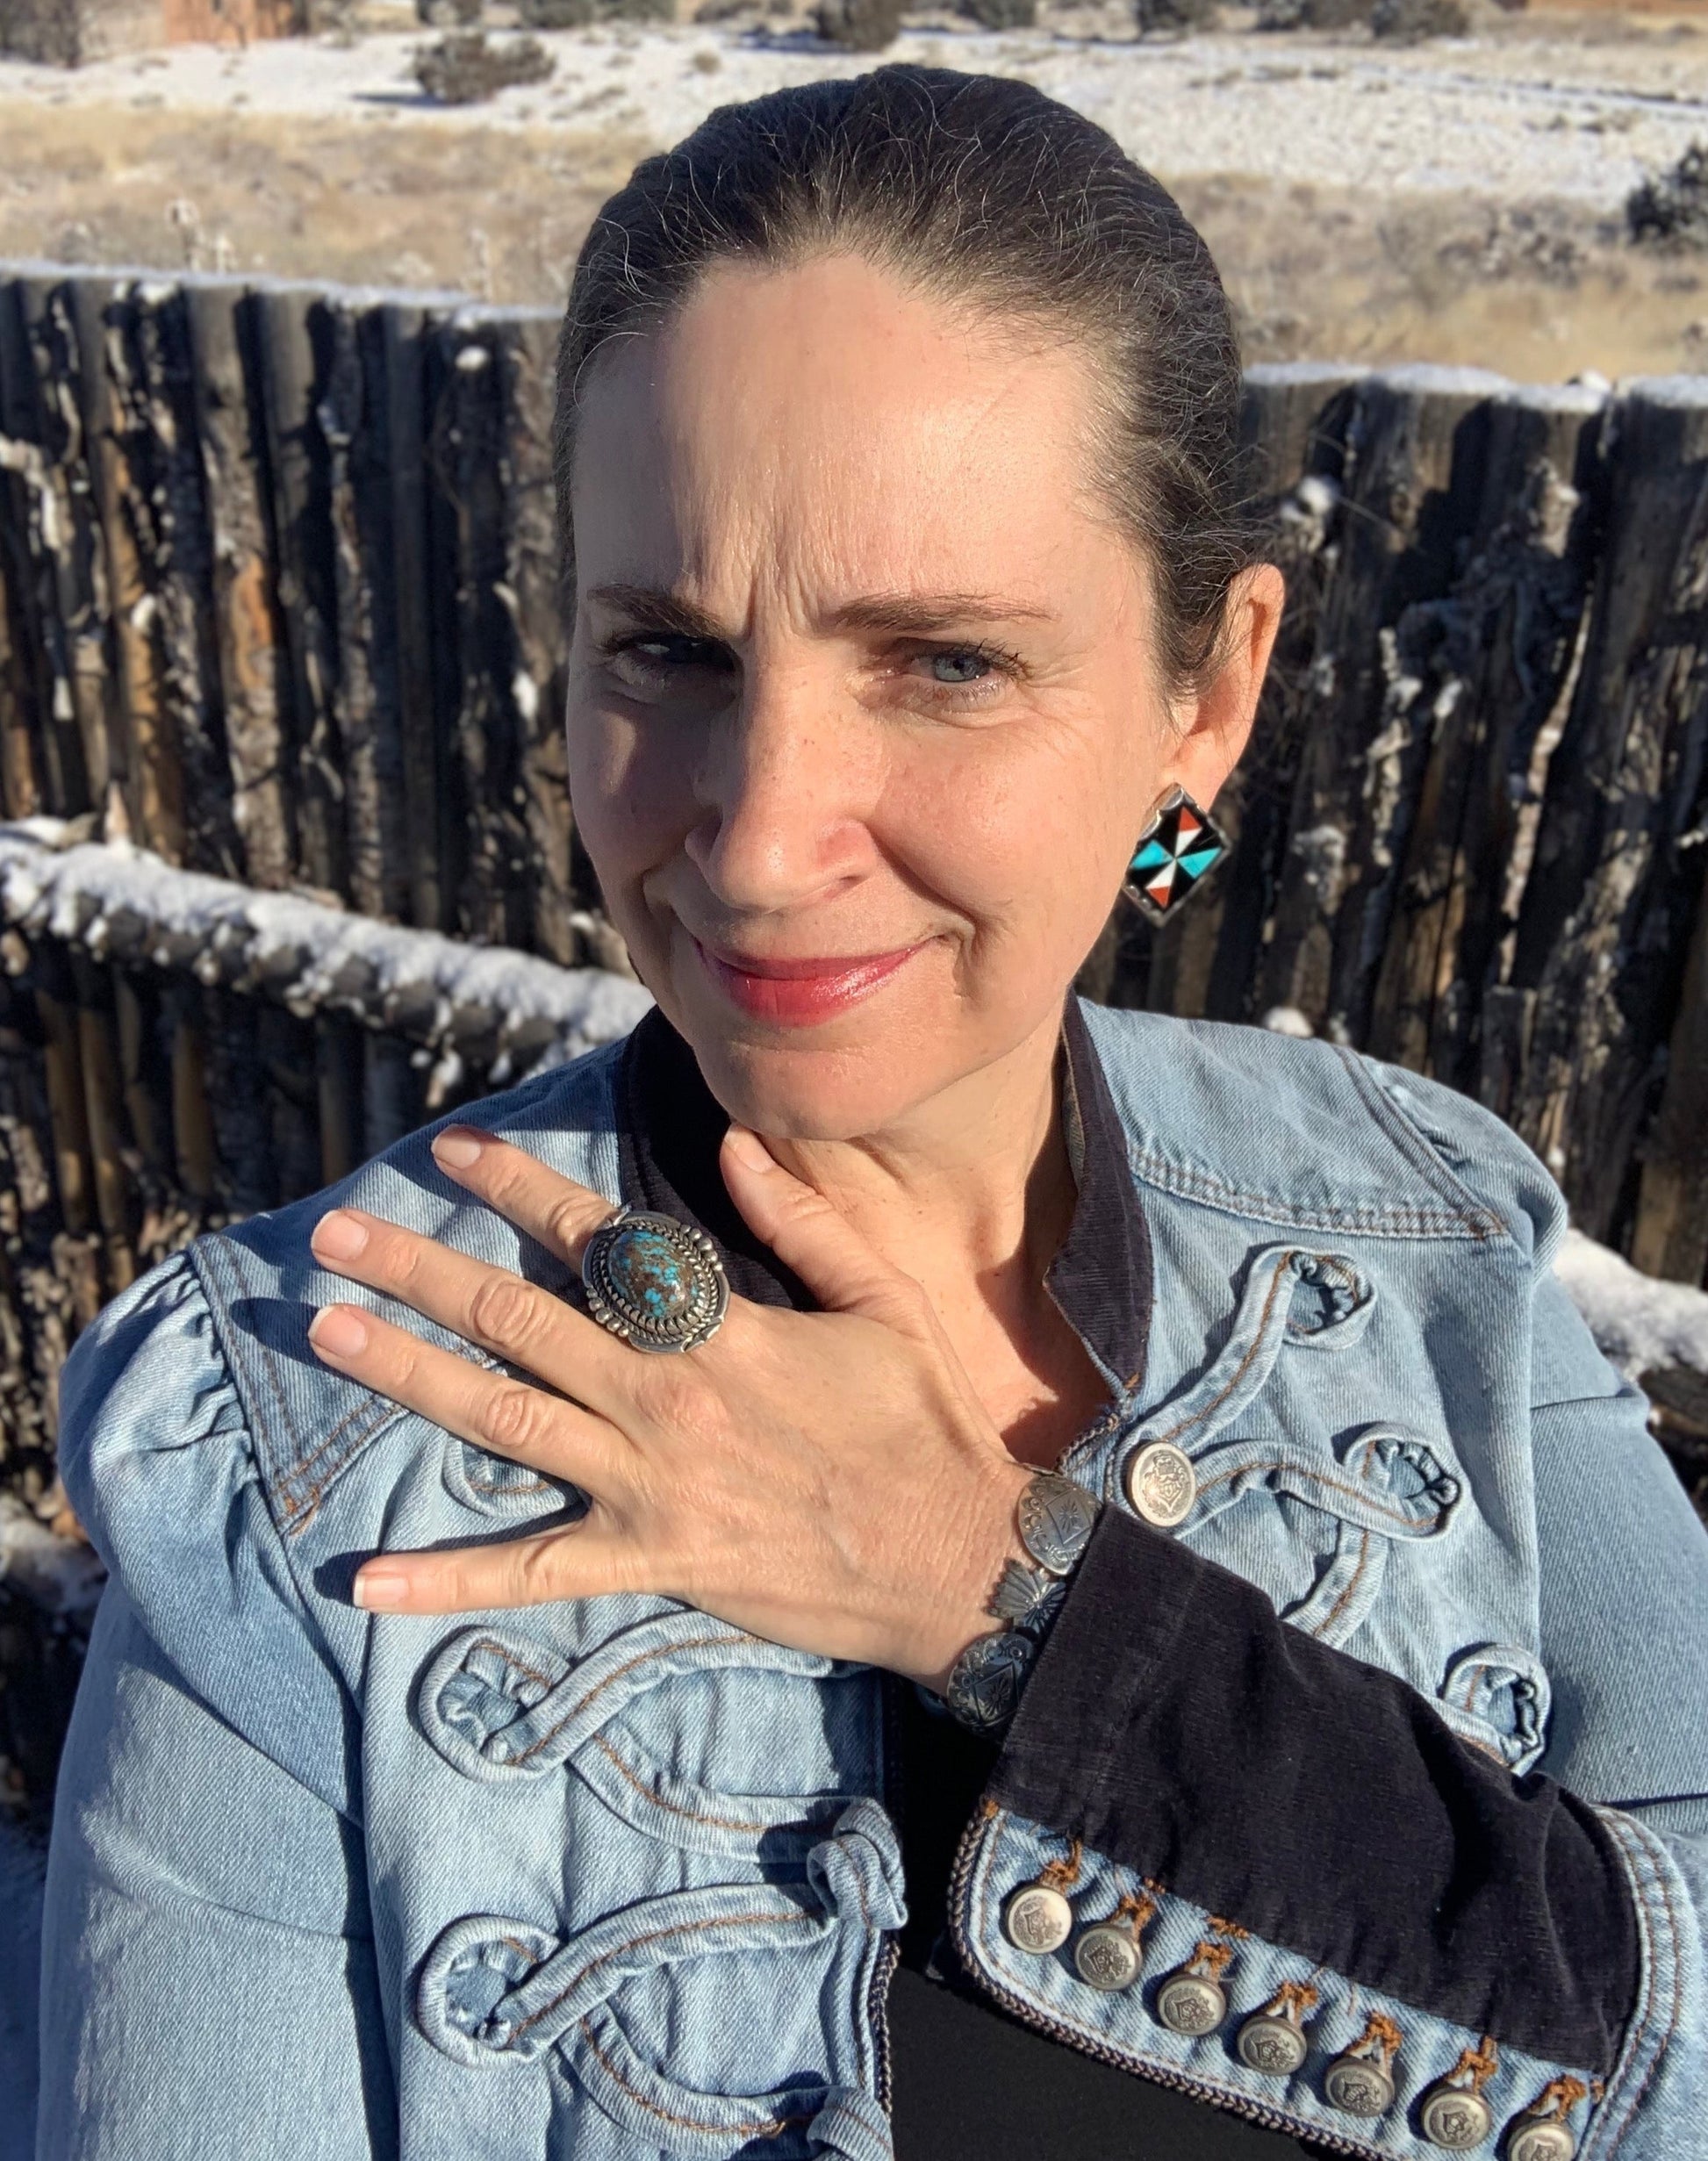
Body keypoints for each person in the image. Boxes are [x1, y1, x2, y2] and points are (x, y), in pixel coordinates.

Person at [34, 61, 1708, 2161]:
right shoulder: (298, 1440)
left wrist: (1012, 1601)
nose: (755, 843)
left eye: (940, 662)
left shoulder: (1420, 1244)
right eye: (670, 650)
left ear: (1208, 691)